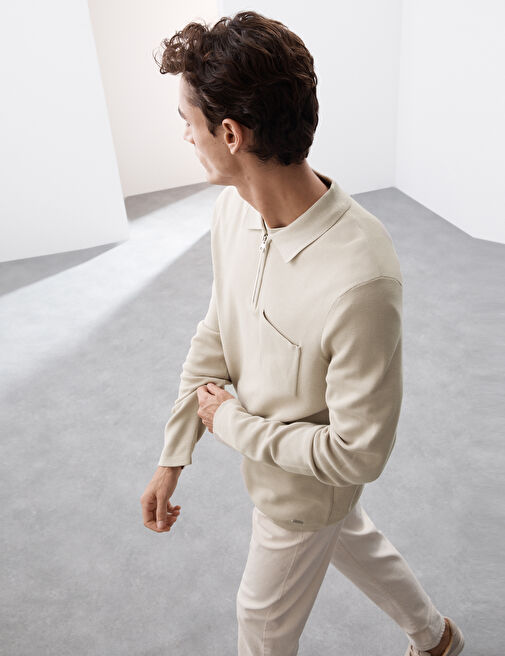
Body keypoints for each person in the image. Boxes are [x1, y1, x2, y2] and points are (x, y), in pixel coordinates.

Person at [140, 10, 465, 656]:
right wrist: (174, 453)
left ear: (229, 134)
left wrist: (230, 424)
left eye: (187, 122)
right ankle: (437, 639)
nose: (185, 135)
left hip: (300, 493)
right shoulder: (232, 213)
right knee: (352, 539)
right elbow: (217, 330)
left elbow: (358, 455)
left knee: (260, 622)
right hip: (288, 476)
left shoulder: (360, 278)